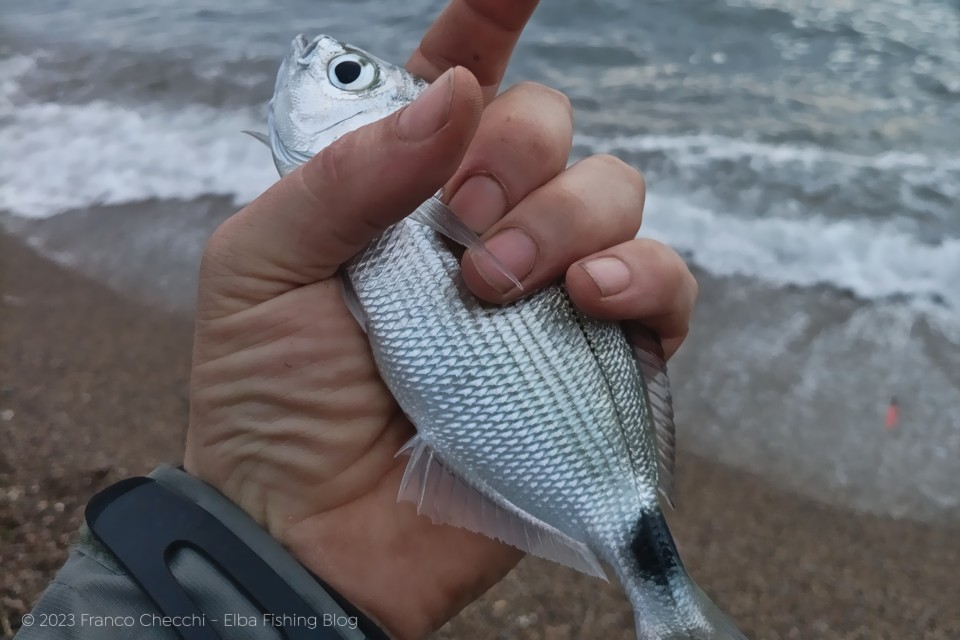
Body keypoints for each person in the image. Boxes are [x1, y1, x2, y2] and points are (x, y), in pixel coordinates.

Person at [16, 1, 698, 638]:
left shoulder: (429, 197)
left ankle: (663, 597)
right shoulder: (356, 224)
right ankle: (661, 593)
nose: (307, 59)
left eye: (345, 74)